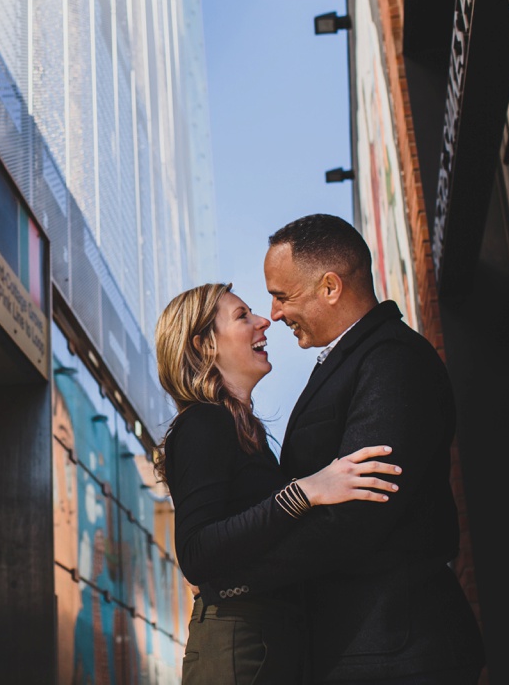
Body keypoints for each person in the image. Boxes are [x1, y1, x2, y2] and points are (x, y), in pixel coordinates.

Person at [203, 214, 484, 683]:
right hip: (366, 648)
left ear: (330, 287)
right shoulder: (353, 359)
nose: (273, 314)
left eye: (282, 295)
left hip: (395, 651)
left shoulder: (392, 359)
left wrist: (239, 578)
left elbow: (359, 514)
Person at [156, 282, 402, 685]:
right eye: (242, 316)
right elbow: (197, 552)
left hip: (266, 634)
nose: (264, 321)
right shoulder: (202, 423)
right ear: (204, 345)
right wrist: (306, 491)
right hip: (240, 642)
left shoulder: (239, 428)